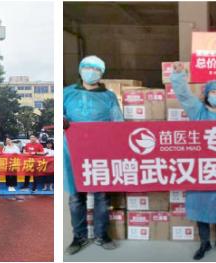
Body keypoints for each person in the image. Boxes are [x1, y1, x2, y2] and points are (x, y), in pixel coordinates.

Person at [168, 63, 216, 260]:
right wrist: (179, 75)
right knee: (201, 205)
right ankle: (204, 243)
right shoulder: (198, 112)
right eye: (212, 91)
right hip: (201, 168)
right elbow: (184, 95)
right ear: (207, 94)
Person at [65, 55, 123, 254]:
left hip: (100, 153)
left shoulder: (109, 96)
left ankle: (101, 234)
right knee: (76, 197)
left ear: (101, 73)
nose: (91, 71)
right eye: (88, 67)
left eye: (96, 69)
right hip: (73, 153)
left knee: (101, 196)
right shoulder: (67, 93)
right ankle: (79, 237)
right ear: (80, 69)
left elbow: (118, 124)